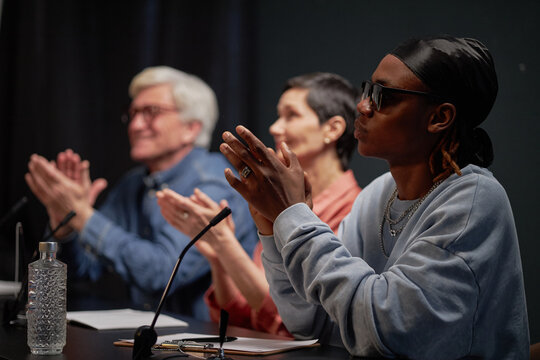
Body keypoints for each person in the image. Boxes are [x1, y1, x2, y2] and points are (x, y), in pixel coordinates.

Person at [218, 36, 529, 358]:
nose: (363, 106)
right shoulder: (378, 195)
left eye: (385, 96)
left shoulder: (474, 198)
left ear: (439, 117)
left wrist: (294, 216)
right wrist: (273, 229)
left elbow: (391, 332)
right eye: (368, 91)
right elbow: (311, 323)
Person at [24, 66, 257, 320]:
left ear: (191, 128)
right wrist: (65, 223)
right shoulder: (133, 184)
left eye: (151, 113)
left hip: (207, 347)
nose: (135, 125)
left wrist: (80, 214)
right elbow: (82, 271)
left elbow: (160, 273)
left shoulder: (214, 183)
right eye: (132, 113)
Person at [156, 72, 361, 336]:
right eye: (278, 115)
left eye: (291, 115)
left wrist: (226, 245)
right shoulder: (275, 203)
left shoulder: (354, 209)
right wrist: (219, 259)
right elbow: (243, 314)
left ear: (332, 129)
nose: (275, 127)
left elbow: (296, 319)